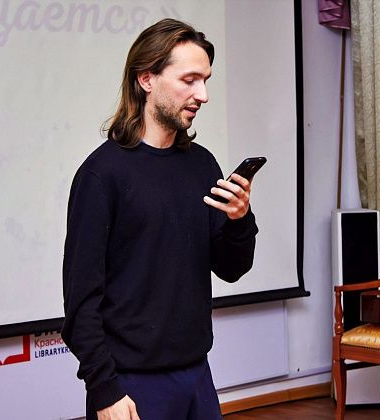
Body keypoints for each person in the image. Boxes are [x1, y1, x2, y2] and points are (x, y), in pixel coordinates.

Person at [61, 19, 259, 420]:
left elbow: (231, 269)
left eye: (206, 81)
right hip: (129, 386)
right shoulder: (101, 175)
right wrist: (104, 390)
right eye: (189, 80)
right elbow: (81, 302)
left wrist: (240, 220)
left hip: (197, 377)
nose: (202, 95)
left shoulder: (202, 165)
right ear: (146, 79)